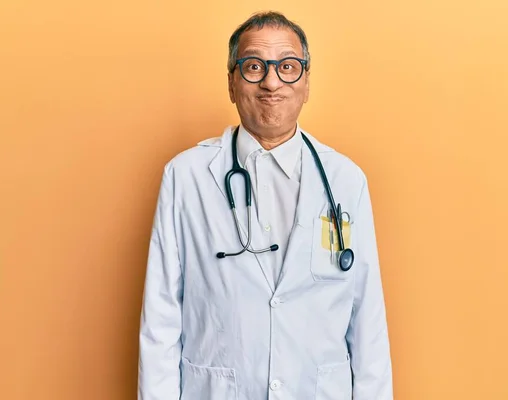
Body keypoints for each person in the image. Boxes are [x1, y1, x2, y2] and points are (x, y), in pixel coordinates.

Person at [138, 11, 393, 400]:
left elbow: (367, 322)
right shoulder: (185, 177)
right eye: (254, 66)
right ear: (231, 82)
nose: (271, 82)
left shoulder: (345, 180)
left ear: (306, 82)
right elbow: (161, 318)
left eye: (288, 67)